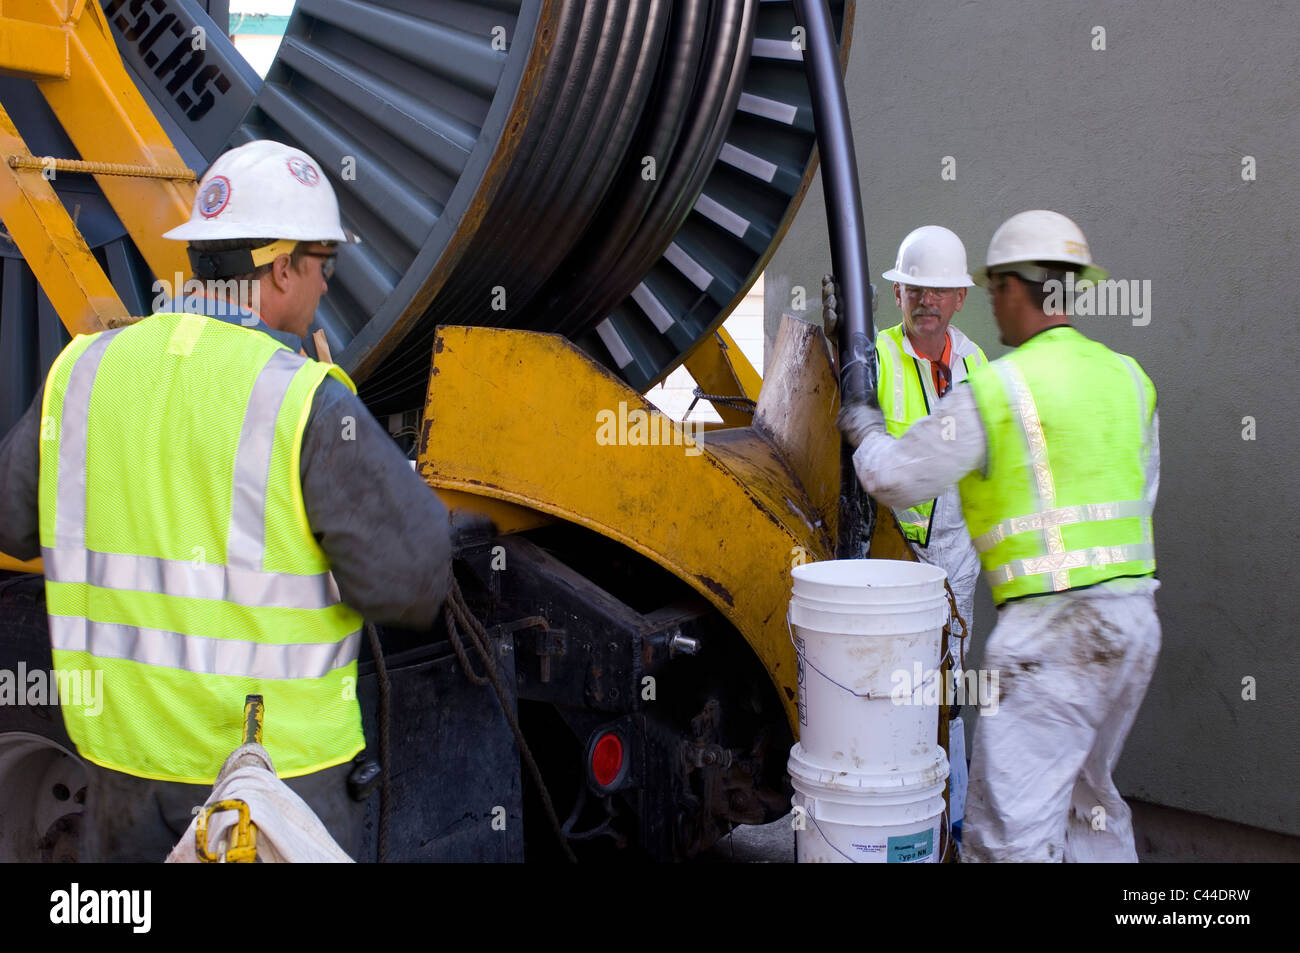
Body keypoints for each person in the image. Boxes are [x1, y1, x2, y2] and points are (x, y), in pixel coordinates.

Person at [0, 139, 452, 861]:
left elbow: (14, 524)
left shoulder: (82, 370)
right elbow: (411, 584)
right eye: (322, 265)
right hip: (275, 794)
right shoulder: (303, 396)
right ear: (280, 269)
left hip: (119, 778)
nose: (326, 287)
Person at [840, 210, 1160, 862]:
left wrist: (864, 428)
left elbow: (897, 476)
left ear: (1014, 288)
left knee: (1009, 832)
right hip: (1131, 624)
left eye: (993, 290)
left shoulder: (996, 385)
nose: (990, 304)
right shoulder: (1128, 378)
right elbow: (1139, 492)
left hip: (1051, 632)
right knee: (1088, 803)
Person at [877, 225, 986, 646]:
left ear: (959, 298)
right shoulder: (875, 356)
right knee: (888, 666)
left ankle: (952, 716)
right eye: (915, 288)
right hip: (891, 552)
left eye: (939, 290)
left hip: (958, 554)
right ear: (897, 293)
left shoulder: (975, 362)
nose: (926, 300)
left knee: (949, 672)